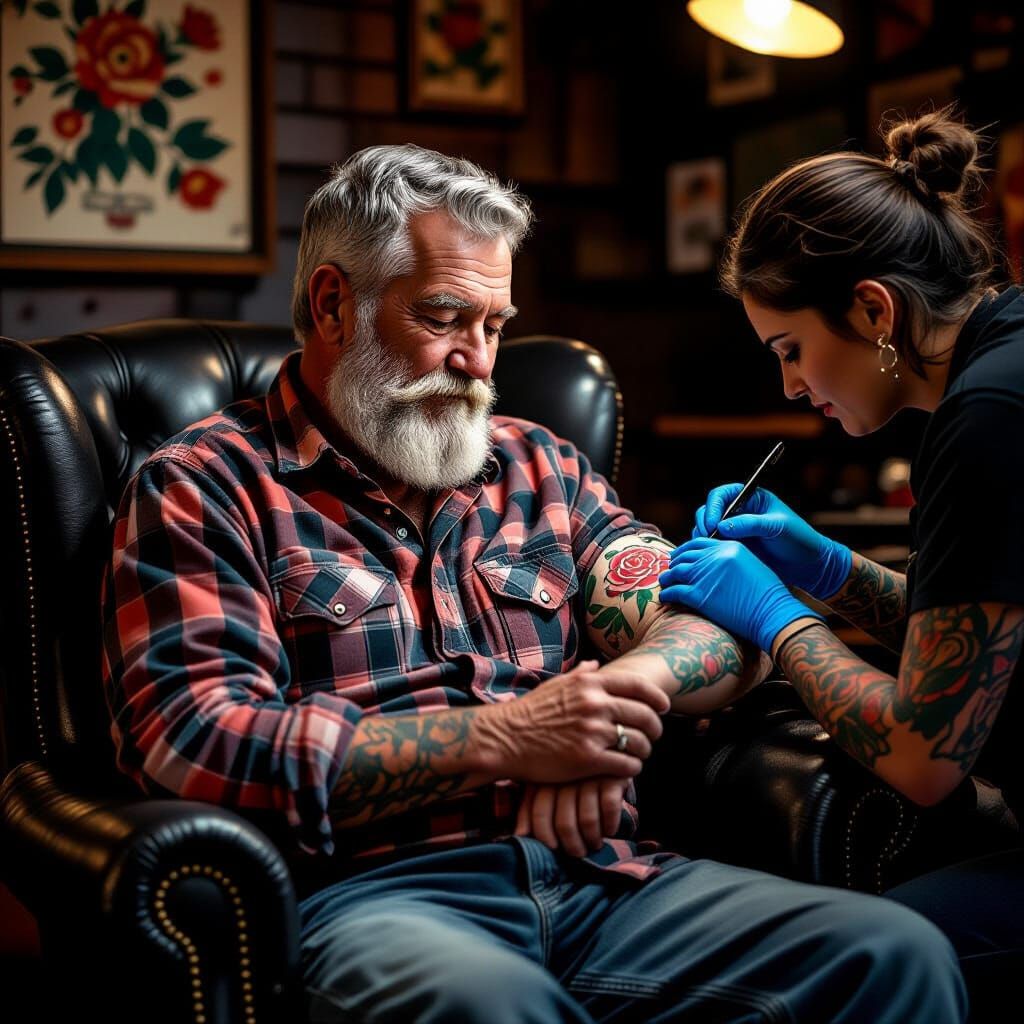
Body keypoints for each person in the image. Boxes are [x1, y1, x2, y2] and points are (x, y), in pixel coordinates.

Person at [102, 143, 967, 1023]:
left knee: (894, 955)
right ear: (334, 304)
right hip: (380, 899)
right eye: (444, 318)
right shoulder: (205, 485)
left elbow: (710, 619)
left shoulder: (539, 466)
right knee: (491, 1006)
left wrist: (607, 706)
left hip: (606, 880)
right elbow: (193, 739)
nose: (479, 361)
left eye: (496, 325)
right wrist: (510, 739)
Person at [658, 106, 1024, 1021]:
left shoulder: (989, 421)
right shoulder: (1007, 358)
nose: (789, 385)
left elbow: (923, 753)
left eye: (791, 349)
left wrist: (780, 620)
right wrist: (826, 565)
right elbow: (975, 639)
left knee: (861, 963)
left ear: (873, 308)